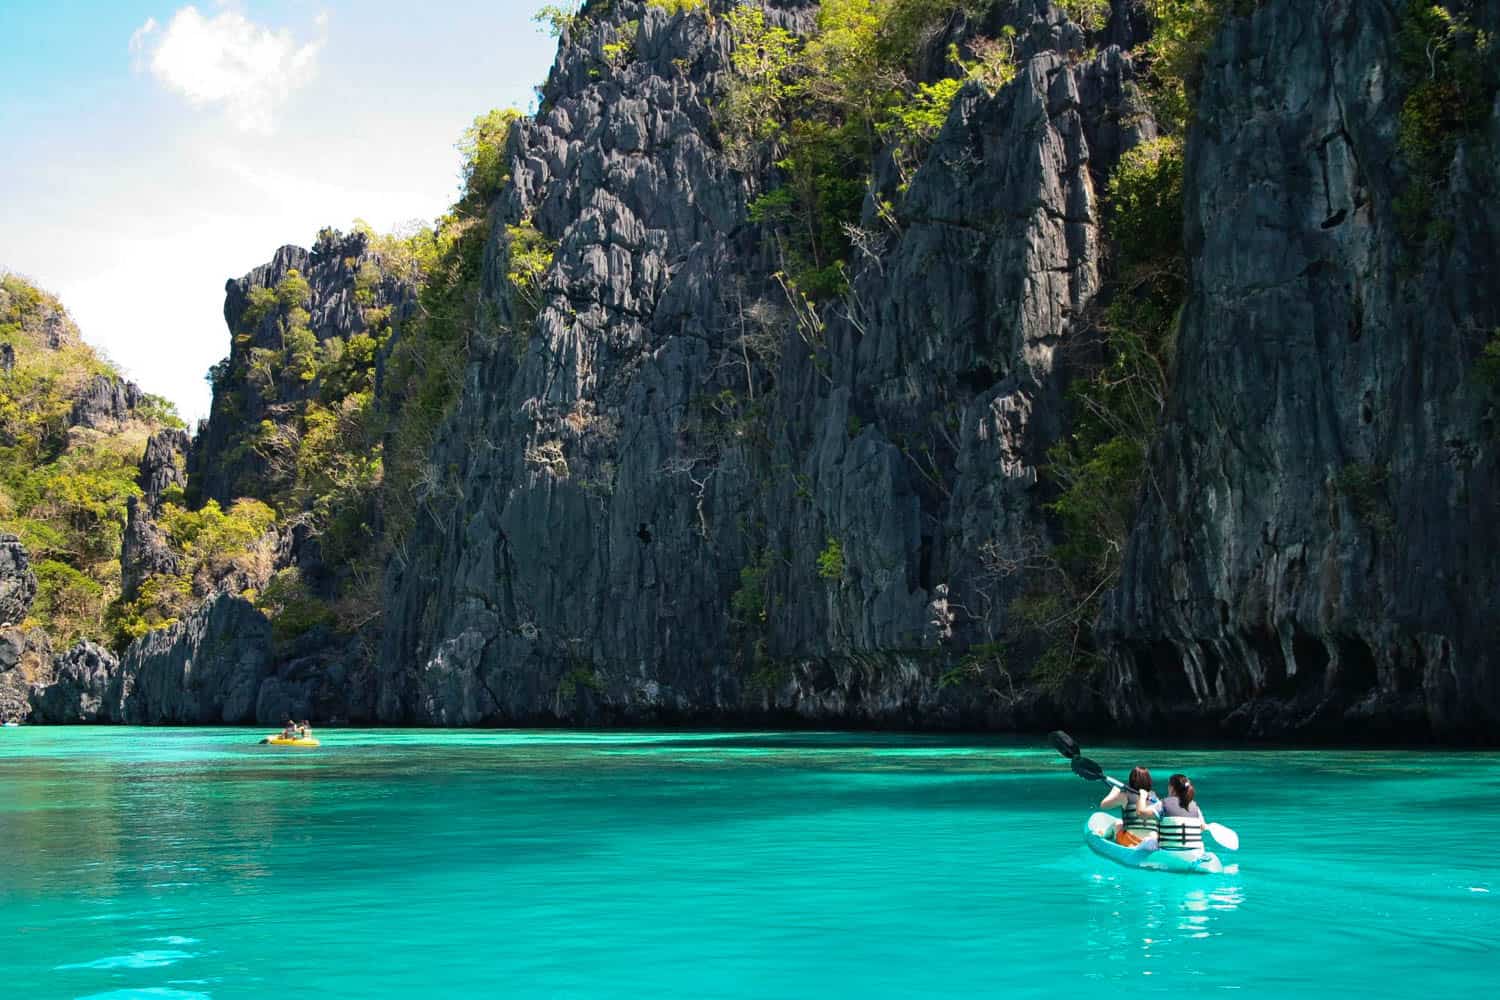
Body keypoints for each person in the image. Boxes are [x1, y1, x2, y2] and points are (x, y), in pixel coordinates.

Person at [1100, 766, 1160, 846]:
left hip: (1131, 841)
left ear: (1131, 780)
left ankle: (1104, 835)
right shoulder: (1154, 797)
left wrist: (1114, 792)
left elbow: (1103, 805)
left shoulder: (1124, 795)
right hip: (1152, 841)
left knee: (1118, 823)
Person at [1157, 773, 1206, 852]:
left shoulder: (1162, 803)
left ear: (1171, 788)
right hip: (1195, 852)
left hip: (1168, 850)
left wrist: (1143, 797)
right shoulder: (1196, 807)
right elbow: (1202, 827)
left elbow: (1141, 813)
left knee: (1151, 837)